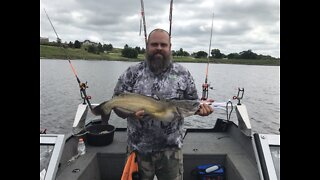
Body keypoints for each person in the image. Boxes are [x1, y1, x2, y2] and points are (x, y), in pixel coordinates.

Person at [113, 28, 213, 180]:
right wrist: (131, 113)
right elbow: (117, 106)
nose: (159, 48)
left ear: (169, 47)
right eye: (154, 44)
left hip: (171, 151)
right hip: (138, 150)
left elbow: (192, 105)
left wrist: (202, 109)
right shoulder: (132, 73)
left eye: (163, 44)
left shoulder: (183, 74)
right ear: (147, 47)